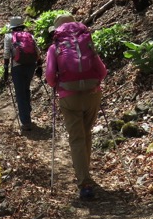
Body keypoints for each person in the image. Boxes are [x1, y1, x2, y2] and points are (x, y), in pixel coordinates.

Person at [45, 15, 107, 200]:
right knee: (86, 133)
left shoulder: (55, 47)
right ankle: (85, 174)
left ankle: (85, 182)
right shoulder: (86, 42)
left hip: (69, 97)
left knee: (77, 138)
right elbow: (102, 71)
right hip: (92, 94)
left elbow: (49, 77)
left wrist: (60, 84)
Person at [2, 16, 41, 132]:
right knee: (26, 89)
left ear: (12, 27)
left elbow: (6, 54)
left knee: (20, 93)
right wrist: (39, 66)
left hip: (17, 67)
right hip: (31, 66)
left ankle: (26, 122)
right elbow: (37, 51)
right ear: (22, 26)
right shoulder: (30, 36)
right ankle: (27, 111)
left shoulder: (8, 37)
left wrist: (5, 70)